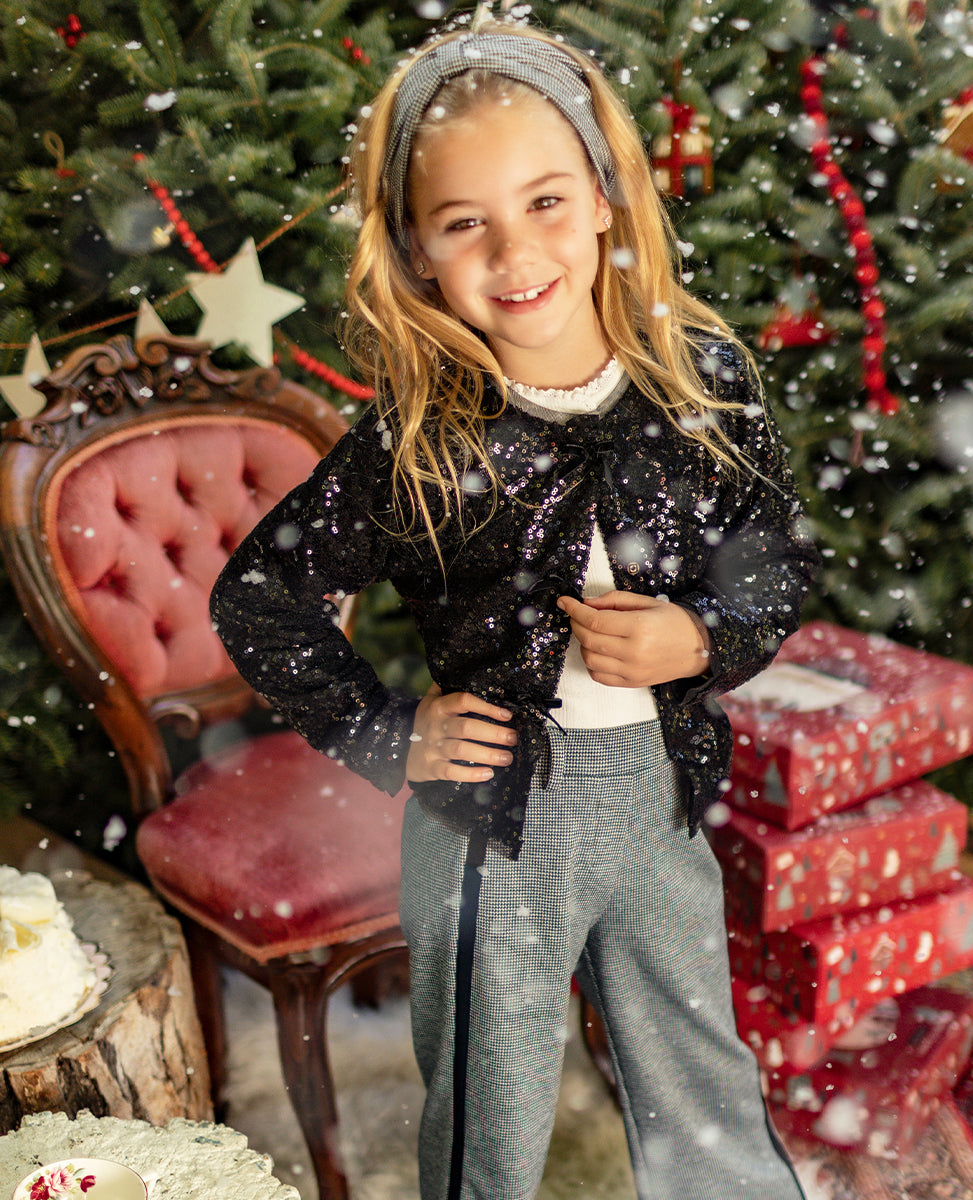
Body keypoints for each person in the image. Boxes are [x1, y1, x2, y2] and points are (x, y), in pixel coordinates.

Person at [210, 14, 820, 1200]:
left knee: (700, 1077)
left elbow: (773, 559)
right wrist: (391, 731)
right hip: (498, 823)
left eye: (544, 201)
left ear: (602, 194)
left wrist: (700, 635)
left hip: (661, 797)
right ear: (418, 251)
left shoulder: (706, 385)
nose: (513, 249)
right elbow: (262, 599)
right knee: (491, 1110)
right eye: (464, 223)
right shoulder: (417, 441)